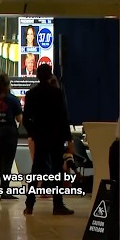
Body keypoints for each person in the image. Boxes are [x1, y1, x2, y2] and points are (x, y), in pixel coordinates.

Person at [22, 64, 74, 216]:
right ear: (50, 75)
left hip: (40, 137)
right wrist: (68, 138)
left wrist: (33, 132)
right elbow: (64, 118)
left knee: (35, 171)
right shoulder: (57, 93)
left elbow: (26, 119)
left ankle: (29, 204)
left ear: (37, 76)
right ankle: (58, 205)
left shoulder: (32, 94)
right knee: (57, 171)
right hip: (56, 137)